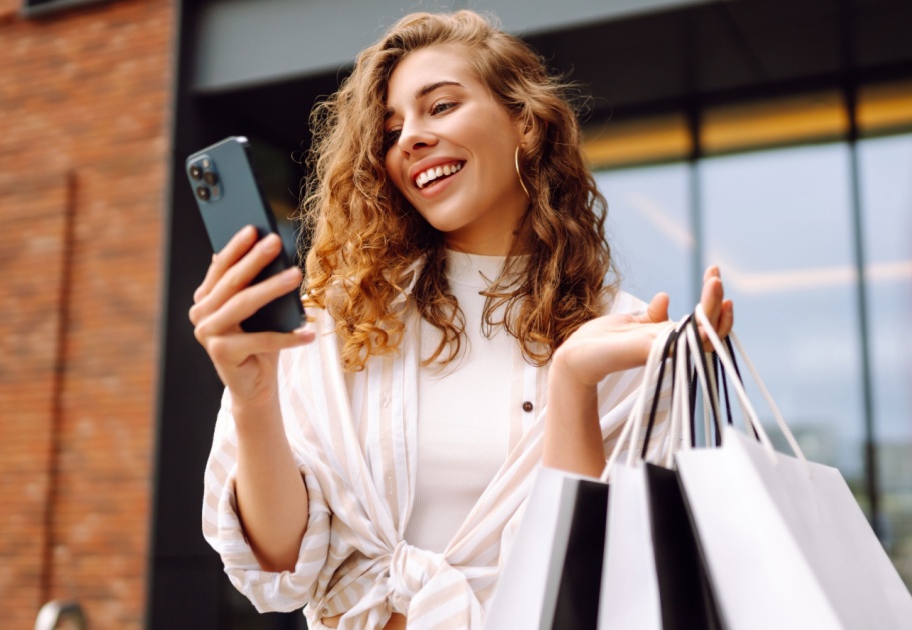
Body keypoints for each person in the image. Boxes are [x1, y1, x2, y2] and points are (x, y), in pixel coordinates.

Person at [190, 10, 732, 630]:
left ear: (524, 124)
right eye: (391, 131)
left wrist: (575, 384)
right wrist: (253, 400)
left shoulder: (623, 335)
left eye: (440, 107)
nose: (410, 139)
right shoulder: (335, 322)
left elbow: (606, 584)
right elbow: (280, 566)